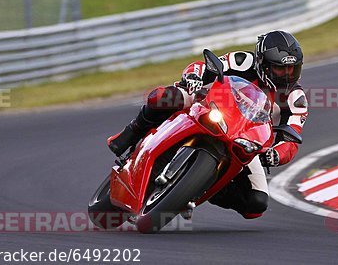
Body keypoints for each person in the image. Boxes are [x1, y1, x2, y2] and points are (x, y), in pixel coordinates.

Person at [107, 30, 308, 219]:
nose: (287, 75)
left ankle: (200, 186)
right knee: (163, 97)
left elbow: (291, 139)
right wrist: (193, 77)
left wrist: (275, 155)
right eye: (280, 69)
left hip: (244, 139)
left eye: (292, 69)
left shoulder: (296, 99)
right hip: (207, 104)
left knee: (256, 203)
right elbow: (203, 66)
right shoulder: (243, 61)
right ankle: (130, 133)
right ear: (263, 63)